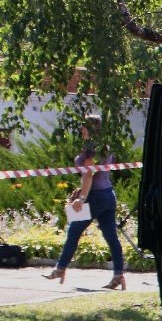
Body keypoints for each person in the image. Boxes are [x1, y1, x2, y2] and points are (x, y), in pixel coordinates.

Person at [43, 114, 126, 289]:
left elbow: (88, 174)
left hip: (95, 196)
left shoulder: (91, 147)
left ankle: (60, 269)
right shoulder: (106, 146)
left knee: (74, 231)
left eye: (83, 127)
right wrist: (82, 190)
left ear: (89, 128)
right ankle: (119, 274)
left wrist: (82, 198)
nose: (81, 130)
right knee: (111, 236)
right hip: (108, 194)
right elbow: (100, 173)